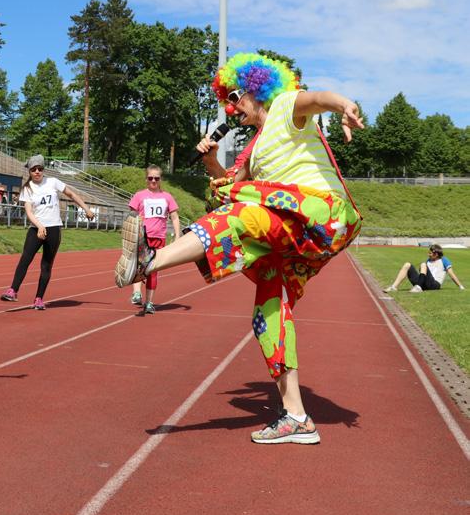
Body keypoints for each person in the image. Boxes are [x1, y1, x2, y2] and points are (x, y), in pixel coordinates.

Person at [114, 53, 364, 445]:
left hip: (321, 213)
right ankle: (296, 417)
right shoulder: (253, 150)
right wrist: (213, 162)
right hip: (288, 231)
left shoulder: (285, 106)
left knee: (239, 215)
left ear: (257, 88)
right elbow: (228, 183)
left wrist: (345, 105)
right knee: (268, 312)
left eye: (235, 97)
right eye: (227, 100)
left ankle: (150, 261)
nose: (232, 108)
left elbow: (317, 99)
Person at [0, 154, 95, 310]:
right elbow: (29, 212)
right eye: (34, 169)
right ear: (29, 171)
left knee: (46, 265)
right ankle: (13, 290)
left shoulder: (53, 182)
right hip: (36, 228)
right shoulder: (27, 188)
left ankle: (39, 298)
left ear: (43, 169)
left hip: (54, 229)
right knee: (25, 259)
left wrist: (86, 209)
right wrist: (39, 226)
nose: (37, 172)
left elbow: (71, 194)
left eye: (40, 169)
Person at [127, 165, 181, 315]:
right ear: (146, 179)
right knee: (139, 266)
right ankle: (137, 293)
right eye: (150, 178)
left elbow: (175, 217)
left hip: (159, 238)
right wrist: (130, 233)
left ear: (160, 179)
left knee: (153, 271)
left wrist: (177, 236)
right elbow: (131, 215)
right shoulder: (139, 195)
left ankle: (149, 302)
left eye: (156, 178)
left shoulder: (167, 197)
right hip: (142, 236)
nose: (153, 181)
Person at [383, 244, 464, 292]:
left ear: (436, 254)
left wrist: (460, 286)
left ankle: (418, 287)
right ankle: (394, 287)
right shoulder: (428, 260)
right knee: (407, 264)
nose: (428, 254)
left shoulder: (444, 260)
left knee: (423, 264)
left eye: (430, 253)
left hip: (434, 285)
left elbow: (451, 274)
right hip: (424, 283)